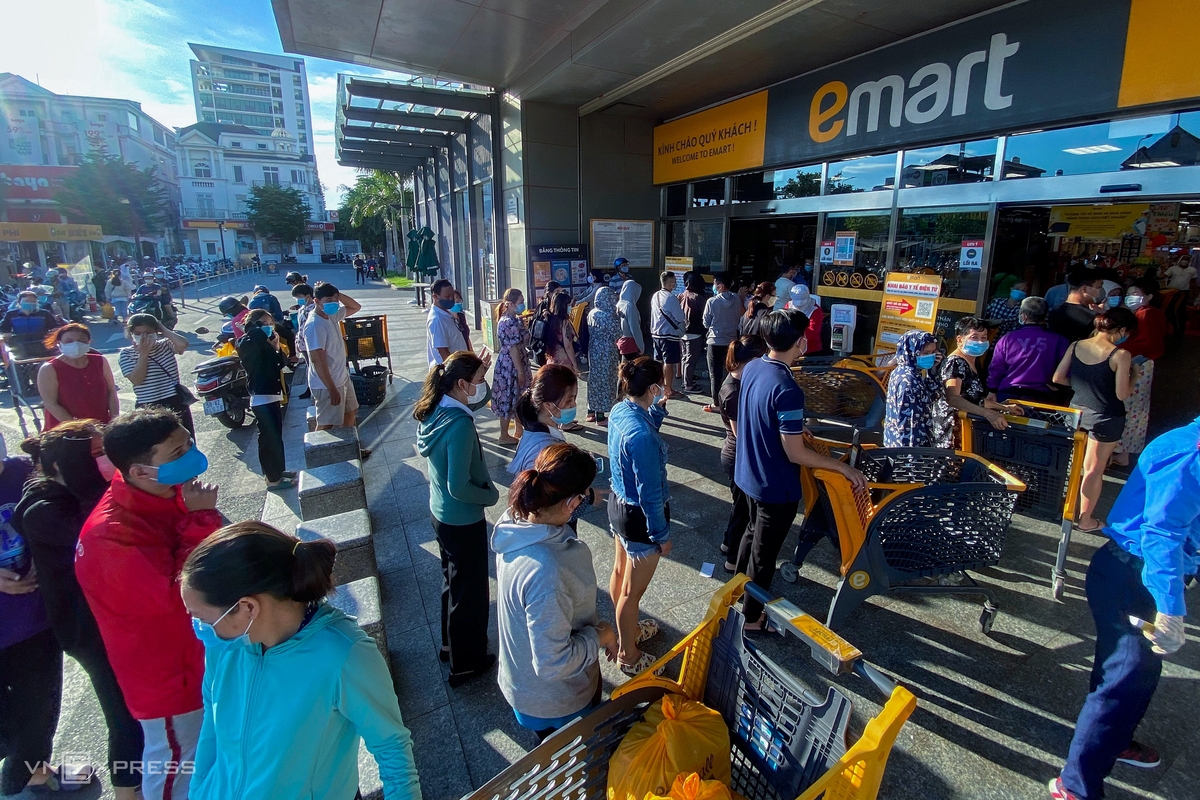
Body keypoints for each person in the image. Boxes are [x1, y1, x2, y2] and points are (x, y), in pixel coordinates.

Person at [180, 522, 421, 799]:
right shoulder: (224, 646)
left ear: (247, 608)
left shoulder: (344, 654)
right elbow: (211, 727)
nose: (199, 627)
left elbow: (393, 751)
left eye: (202, 617)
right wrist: (198, 791)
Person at [76, 408, 223, 800]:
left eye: (188, 444)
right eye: (177, 453)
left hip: (199, 658)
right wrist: (201, 520)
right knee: (177, 767)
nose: (190, 457)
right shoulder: (111, 536)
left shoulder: (169, 491)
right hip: (170, 678)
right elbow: (180, 595)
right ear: (139, 471)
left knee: (206, 759)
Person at [1049, 416, 1199, 800]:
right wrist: (1170, 608)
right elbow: (1162, 533)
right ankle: (1074, 787)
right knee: (1119, 681)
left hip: (1146, 574)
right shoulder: (1190, 451)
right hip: (1130, 575)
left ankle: (1115, 742)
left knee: (1137, 675)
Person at [13, 422, 143, 800]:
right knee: (124, 716)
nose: (104, 463)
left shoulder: (84, 494)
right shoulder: (45, 509)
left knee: (143, 712)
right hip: (89, 630)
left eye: (105, 453)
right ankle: (127, 791)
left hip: (116, 622)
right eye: (94, 456)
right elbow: (103, 539)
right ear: (60, 466)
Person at [734, 310, 867, 627]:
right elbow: (794, 453)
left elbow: (759, 413)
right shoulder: (788, 387)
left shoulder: (754, 366)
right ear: (800, 342)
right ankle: (751, 617)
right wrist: (840, 467)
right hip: (775, 484)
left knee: (751, 536)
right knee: (764, 557)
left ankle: (737, 593)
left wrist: (792, 431)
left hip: (748, 472)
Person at [494, 443, 617, 741]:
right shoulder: (547, 569)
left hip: (522, 685)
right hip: (557, 701)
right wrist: (602, 635)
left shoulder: (515, 522)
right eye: (581, 497)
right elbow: (553, 662)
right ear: (571, 504)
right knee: (578, 757)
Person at [0, 445, 90, 795]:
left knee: (38, 711)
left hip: (33, 621)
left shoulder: (25, 472)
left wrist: (45, 550)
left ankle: (27, 775)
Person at [414, 351, 499, 686]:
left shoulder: (439, 409)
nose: (480, 387)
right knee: (470, 594)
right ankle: (466, 663)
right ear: (461, 384)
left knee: (452, 582)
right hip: (462, 518)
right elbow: (460, 485)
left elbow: (479, 400)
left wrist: (483, 373)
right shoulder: (460, 425)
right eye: (476, 381)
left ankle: (450, 645)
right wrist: (491, 497)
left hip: (440, 512)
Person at [606, 356, 668, 676]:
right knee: (632, 592)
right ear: (653, 387)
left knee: (619, 573)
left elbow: (641, 429)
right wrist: (661, 535)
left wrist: (657, 409)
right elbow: (651, 494)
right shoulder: (642, 437)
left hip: (618, 504)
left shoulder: (620, 410)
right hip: (640, 518)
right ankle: (628, 655)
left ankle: (624, 632)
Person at [1053, 306, 1138, 533]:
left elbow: (1058, 377)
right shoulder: (1120, 355)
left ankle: (1063, 507)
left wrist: (1083, 388)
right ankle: (1085, 519)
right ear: (1120, 330)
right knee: (1093, 470)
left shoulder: (1076, 345)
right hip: (1106, 417)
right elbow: (1122, 394)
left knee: (1073, 465)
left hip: (1076, 414)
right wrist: (1134, 376)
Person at [717, 336, 767, 573]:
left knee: (739, 506)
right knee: (744, 510)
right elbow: (740, 433)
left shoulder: (737, 381)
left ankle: (728, 544)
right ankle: (733, 560)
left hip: (736, 453)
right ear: (752, 360)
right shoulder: (733, 392)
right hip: (737, 455)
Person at [932, 317, 1021, 446]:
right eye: (974, 337)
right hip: (953, 430)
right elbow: (953, 398)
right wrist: (988, 414)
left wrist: (1004, 408)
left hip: (966, 428)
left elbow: (972, 398)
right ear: (959, 339)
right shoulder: (955, 363)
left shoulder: (972, 361)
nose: (980, 342)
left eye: (984, 338)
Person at [1112, 280, 1171, 466]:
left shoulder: (1145, 314)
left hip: (1136, 364)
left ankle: (1120, 451)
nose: (1131, 297)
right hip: (1142, 364)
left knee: (1127, 407)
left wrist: (1113, 348)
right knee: (1135, 410)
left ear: (1149, 296)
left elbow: (1147, 342)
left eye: (1136, 293)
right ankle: (1123, 453)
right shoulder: (1149, 313)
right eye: (1129, 293)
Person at [237, 309, 294, 490]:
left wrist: (276, 347)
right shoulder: (247, 341)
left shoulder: (265, 342)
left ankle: (278, 471)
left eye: (271, 323)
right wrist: (254, 329)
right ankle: (272, 479)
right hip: (262, 397)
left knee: (276, 438)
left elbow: (280, 363)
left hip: (273, 394)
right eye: (264, 323)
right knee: (268, 440)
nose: (269, 327)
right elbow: (250, 342)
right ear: (253, 325)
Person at [304, 283, 368, 437]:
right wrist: (331, 388)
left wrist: (338, 295)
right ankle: (317, 452)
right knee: (327, 422)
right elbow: (317, 360)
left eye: (335, 300)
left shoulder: (331, 315)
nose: (333, 303)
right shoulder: (314, 325)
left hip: (342, 377)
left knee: (351, 411)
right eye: (328, 300)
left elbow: (355, 306)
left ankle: (351, 447)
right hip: (327, 384)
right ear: (317, 301)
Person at [118, 313, 195, 436]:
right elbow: (137, 380)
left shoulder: (165, 345)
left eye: (148, 333)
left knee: (185, 440)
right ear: (131, 334)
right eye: (138, 334)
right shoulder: (126, 354)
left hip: (174, 400)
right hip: (148, 406)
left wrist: (162, 327)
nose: (143, 337)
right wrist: (144, 354)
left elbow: (183, 344)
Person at [987, 296, 1070, 405]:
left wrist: (992, 390)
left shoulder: (1007, 339)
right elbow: (1067, 371)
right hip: (1042, 397)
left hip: (1008, 393)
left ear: (1024, 316)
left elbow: (996, 368)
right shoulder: (1059, 341)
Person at [36, 322, 120, 430]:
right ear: (59, 343)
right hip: (66, 430)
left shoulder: (100, 361)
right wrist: (80, 427)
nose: (76, 344)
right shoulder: (49, 369)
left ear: (89, 342)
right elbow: (50, 403)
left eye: (82, 340)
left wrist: (114, 422)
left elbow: (111, 391)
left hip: (102, 425)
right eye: (69, 341)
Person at [508, 364, 578, 474]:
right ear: (548, 405)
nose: (574, 405)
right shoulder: (543, 449)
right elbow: (543, 489)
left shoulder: (537, 431)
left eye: (574, 398)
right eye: (569, 401)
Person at [883, 330, 945, 447]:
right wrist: (912, 457)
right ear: (911, 352)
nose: (931, 356)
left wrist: (933, 371)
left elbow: (929, 398)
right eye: (925, 352)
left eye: (933, 352)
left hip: (896, 445)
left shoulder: (904, 371)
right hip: (908, 450)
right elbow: (910, 424)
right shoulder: (909, 381)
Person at [494, 287, 531, 445]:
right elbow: (513, 348)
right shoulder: (507, 322)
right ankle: (504, 435)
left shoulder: (514, 319)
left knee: (518, 397)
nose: (522, 305)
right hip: (511, 365)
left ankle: (519, 429)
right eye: (520, 302)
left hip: (517, 361)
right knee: (508, 397)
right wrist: (520, 372)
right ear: (510, 304)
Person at [702, 272, 741, 413]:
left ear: (720, 286)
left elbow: (706, 323)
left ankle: (717, 403)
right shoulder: (736, 299)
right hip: (731, 342)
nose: (713, 286)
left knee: (715, 375)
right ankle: (731, 399)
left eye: (714, 283)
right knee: (731, 373)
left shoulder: (712, 302)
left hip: (714, 341)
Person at [586, 286, 621, 424]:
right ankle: (600, 416)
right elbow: (618, 333)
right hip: (607, 350)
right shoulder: (608, 316)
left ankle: (591, 411)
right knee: (606, 380)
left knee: (594, 379)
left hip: (594, 348)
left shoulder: (592, 312)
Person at [650, 272, 687, 398]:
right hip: (668, 334)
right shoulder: (671, 298)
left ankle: (659, 387)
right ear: (671, 283)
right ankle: (669, 389)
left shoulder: (655, 296)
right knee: (669, 362)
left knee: (659, 361)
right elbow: (680, 317)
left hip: (656, 333)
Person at [0, 289, 60, 357]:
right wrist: (6, 334)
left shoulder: (44, 314)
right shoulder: (11, 314)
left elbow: (55, 327)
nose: (30, 303)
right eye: (27, 301)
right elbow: (4, 328)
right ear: (19, 302)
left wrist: (54, 330)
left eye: (33, 301)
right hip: (20, 347)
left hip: (42, 345)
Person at [1049, 271, 1103, 342]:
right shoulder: (1091, 317)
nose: (1100, 291)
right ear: (1084, 289)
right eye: (1098, 287)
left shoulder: (1054, 312)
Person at [427, 278, 469, 367]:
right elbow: (443, 351)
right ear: (435, 297)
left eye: (452, 295)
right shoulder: (437, 320)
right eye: (447, 296)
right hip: (451, 371)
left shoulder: (446, 313)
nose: (451, 299)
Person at [679, 272, 708, 393]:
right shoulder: (698, 297)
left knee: (685, 357)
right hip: (695, 331)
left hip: (683, 330)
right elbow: (705, 316)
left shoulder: (683, 295)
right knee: (691, 359)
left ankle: (685, 379)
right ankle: (688, 384)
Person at [545, 291, 580, 376]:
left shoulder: (549, 319)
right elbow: (568, 346)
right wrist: (575, 365)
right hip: (564, 362)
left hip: (551, 359)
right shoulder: (565, 322)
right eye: (569, 305)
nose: (571, 307)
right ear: (563, 306)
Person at [1163, 254, 1197, 338]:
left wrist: (1193, 295)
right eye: (1183, 259)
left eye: (1186, 260)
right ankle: (1169, 328)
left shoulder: (1192, 270)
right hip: (1171, 292)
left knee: (1181, 311)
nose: (1184, 261)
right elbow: (1163, 276)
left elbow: (1193, 282)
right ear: (1180, 260)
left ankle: (1181, 329)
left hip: (1184, 293)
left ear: (1189, 261)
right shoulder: (1173, 269)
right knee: (1169, 310)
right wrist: (1161, 269)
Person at [787, 283, 824, 355]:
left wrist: (791, 334)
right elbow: (784, 322)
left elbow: (812, 332)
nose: (800, 305)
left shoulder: (815, 310)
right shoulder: (788, 305)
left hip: (811, 350)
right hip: (792, 348)